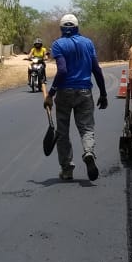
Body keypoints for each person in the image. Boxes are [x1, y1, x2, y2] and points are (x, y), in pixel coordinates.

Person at [44, 14, 108, 181]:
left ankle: (67, 169)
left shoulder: (58, 45)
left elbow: (63, 71)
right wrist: (103, 93)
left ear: (61, 29)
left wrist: (51, 94)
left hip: (64, 93)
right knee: (86, 128)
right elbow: (96, 69)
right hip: (85, 92)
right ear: (77, 28)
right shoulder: (88, 43)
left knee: (62, 132)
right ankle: (88, 153)